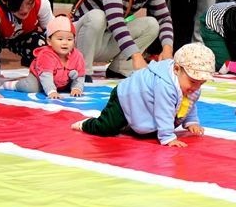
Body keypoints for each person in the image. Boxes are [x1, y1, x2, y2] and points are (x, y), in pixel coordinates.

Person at [71, 43, 215, 147]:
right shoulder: (165, 85)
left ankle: (130, 123)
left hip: (143, 102)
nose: (196, 87)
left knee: (148, 130)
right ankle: (87, 124)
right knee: (107, 127)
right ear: (177, 69)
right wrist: (168, 137)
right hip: (125, 97)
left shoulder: (190, 86)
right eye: (193, 81)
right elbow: (163, 112)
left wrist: (191, 122)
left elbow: (188, 104)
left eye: (201, 83)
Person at [3, 15, 86, 99]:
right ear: (49, 41)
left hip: (63, 80)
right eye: (60, 39)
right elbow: (46, 76)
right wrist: (51, 91)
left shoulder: (77, 56)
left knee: (73, 84)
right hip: (40, 77)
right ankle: (15, 85)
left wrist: (77, 88)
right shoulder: (46, 55)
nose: (65, 43)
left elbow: (80, 75)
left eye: (69, 39)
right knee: (31, 87)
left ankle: (61, 86)